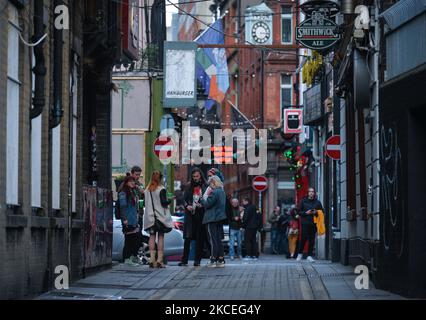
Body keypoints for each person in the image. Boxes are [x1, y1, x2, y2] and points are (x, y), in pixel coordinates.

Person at [143, 170, 174, 268]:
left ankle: (152, 260)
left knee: (152, 237)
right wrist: (170, 200)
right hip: (160, 218)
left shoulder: (147, 190)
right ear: (160, 178)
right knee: (160, 237)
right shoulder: (161, 189)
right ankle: (160, 261)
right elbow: (163, 203)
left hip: (150, 218)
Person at [179, 167, 208, 267]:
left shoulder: (205, 186)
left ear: (200, 175)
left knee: (200, 238)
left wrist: (203, 205)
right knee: (188, 238)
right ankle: (184, 260)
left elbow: (208, 199)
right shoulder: (188, 186)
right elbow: (183, 199)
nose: (195, 178)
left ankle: (197, 260)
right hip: (190, 215)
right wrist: (187, 206)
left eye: (197, 176)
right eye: (194, 176)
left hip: (201, 214)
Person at [201, 175, 227, 268]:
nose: (210, 185)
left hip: (211, 218)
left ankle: (213, 259)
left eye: (210, 183)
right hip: (219, 218)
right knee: (218, 239)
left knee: (212, 240)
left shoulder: (215, 192)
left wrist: (201, 199)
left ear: (213, 182)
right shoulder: (222, 192)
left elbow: (207, 204)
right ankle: (220, 259)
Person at [296, 187, 325, 262]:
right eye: (310, 192)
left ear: (314, 193)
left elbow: (322, 211)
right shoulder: (303, 201)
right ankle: (299, 254)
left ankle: (309, 255)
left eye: (312, 192)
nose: (311, 193)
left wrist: (316, 212)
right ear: (308, 193)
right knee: (303, 238)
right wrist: (306, 213)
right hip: (305, 222)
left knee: (312, 240)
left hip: (314, 223)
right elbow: (299, 212)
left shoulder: (317, 202)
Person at [119, 176, 141, 266]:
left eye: (134, 181)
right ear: (126, 182)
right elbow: (122, 207)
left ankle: (132, 257)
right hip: (127, 219)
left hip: (133, 219)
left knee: (136, 239)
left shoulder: (133, 191)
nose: (133, 183)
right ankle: (127, 259)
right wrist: (124, 219)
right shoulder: (123, 193)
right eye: (131, 181)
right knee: (128, 240)